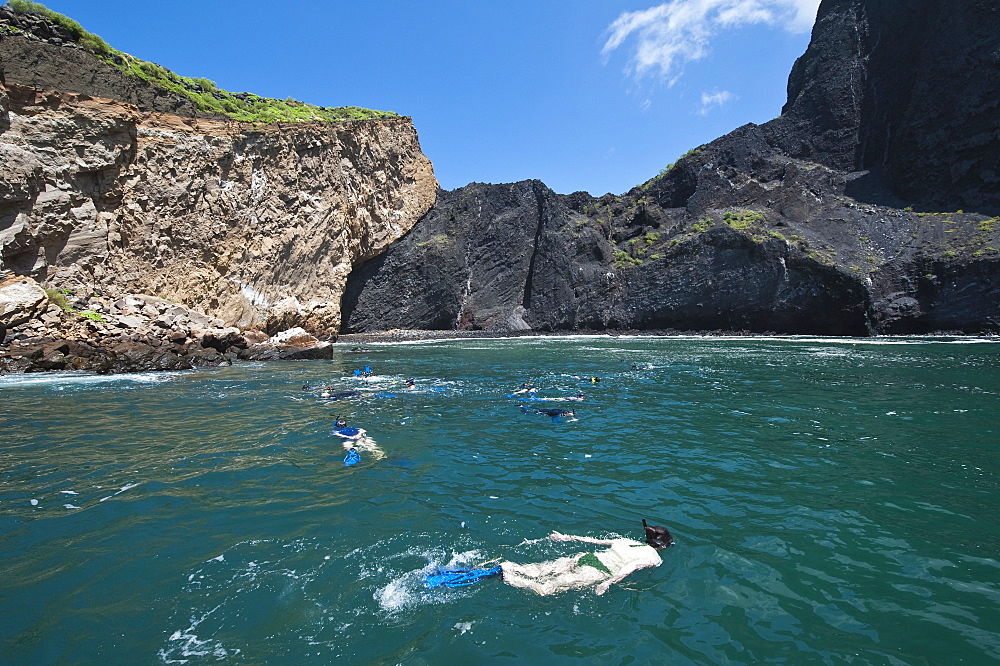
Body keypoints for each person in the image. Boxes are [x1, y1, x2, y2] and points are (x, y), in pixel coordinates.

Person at [426, 520, 673, 596]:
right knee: (544, 589)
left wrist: (565, 537)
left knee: (536, 570)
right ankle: (504, 574)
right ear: (662, 547)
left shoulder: (624, 540)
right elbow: (631, 566)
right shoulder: (655, 558)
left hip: (584, 557)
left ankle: (507, 566)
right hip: (597, 572)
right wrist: (608, 583)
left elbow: (592, 541)